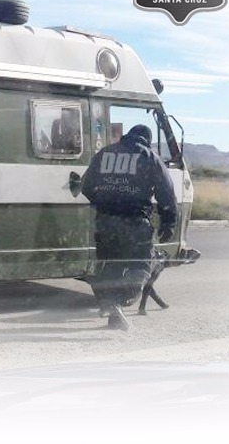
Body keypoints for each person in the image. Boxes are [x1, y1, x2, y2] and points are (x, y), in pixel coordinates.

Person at [81, 124, 177, 331]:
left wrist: (103, 202)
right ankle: (118, 302)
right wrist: (168, 223)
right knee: (141, 266)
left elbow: (86, 186)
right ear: (146, 139)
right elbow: (166, 193)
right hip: (135, 221)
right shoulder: (150, 157)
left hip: (105, 221)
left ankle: (110, 305)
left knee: (111, 265)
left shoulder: (105, 153)